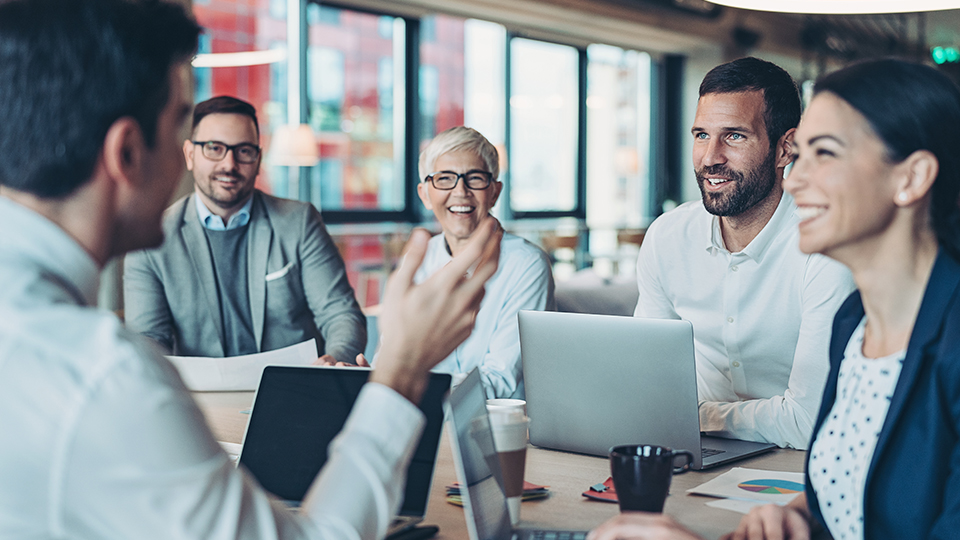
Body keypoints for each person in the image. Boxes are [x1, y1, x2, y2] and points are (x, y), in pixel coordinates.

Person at [0, 1, 502, 539]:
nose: (216, 164)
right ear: (128, 152)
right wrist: (402, 367)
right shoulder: (106, 377)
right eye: (179, 131)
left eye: (242, 151)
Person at [724, 58, 960, 540]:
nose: (792, 179)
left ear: (911, 177)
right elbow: (867, 482)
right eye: (799, 154)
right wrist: (802, 512)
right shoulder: (854, 322)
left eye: (825, 153)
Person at [634, 57, 854, 449]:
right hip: (691, 452)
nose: (710, 157)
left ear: (786, 148)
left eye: (734, 136)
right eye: (701, 135)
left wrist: (695, 415)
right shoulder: (667, 237)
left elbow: (807, 420)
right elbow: (647, 381)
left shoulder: (827, 248)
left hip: (797, 466)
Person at [124, 95, 365, 364]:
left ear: (258, 159)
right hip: (203, 400)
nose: (229, 164)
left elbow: (340, 314)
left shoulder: (299, 222)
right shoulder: (149, 241)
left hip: (293, 391)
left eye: (244, 151)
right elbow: (148, 340)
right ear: (190, 155)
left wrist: (335, 360)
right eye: (214, 148)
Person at [408, 125, 555, 398]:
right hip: (422, 419)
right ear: (425, 194)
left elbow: (499, 380)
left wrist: (407, 386)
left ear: (495, 192)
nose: (460, 191)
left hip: (498, 430)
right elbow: (393, 355)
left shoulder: (527, 266)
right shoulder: (418, 259)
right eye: (444, 179)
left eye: (474, 178)